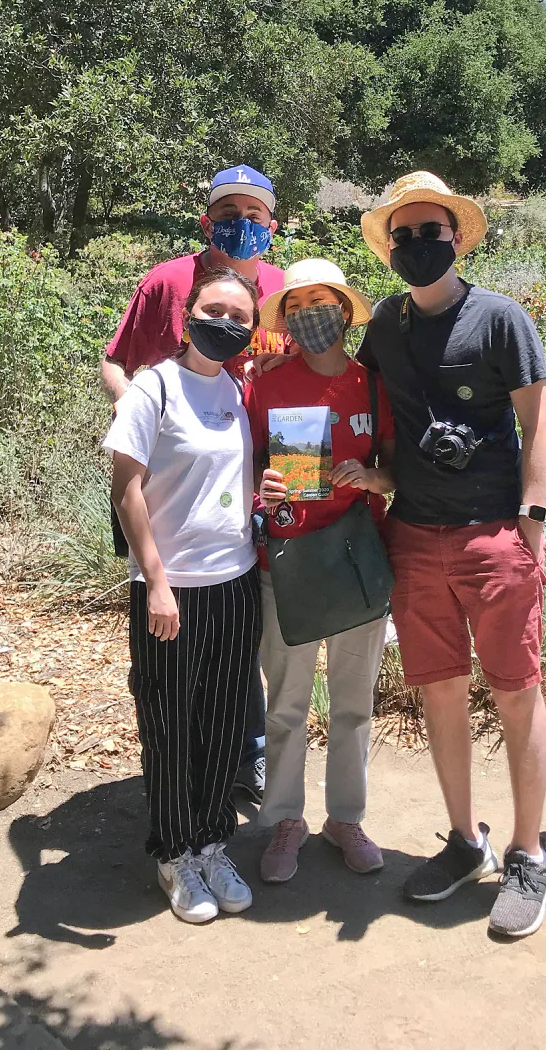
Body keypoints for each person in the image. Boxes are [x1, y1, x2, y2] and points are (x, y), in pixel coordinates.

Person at [357, 171, 546, 939]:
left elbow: (538, 420)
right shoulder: (383, 327)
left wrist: (531, 522)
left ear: (458, 237)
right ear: (390, 248)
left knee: (516, 694)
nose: (417, 246)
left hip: (492, 536)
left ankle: (529, 853)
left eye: (430, 232)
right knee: (439, 692)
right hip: (414, 533)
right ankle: (464, 840)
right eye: (403, 236)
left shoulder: (500, 318)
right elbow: (367, 411)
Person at [101, 164, 287, 803]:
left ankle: (246, 758)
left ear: (273, 224)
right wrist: (144, 419)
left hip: (254, 485)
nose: (243, 225)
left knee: (241, 634)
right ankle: (178, 779)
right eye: (229, 213)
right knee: (173, 639)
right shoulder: (168, 280)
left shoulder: (282, 290)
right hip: (173, 483)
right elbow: (115, 361)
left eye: (255, 215)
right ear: (206, 221)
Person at [104, 267, 262, 925]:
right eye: (213, 309)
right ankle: (173, 854)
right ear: (188, 314)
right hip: (172, 592)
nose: (224, 323)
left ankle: (211, 842)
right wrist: (158, 581)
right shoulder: (154, 388)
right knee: (170, 726)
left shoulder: (236, 390)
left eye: (239, 317)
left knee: (224, 721)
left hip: (237, 581)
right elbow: (126, 489)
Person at [244, 259, 396, 884]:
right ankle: (285, 819)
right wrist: (264, 486)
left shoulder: (372, 385)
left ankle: (345, 817)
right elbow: (243, 471)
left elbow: (399, 470)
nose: (311, 314)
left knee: (354, 702)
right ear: (286, 318)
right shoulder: (268, 386)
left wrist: (372, 477)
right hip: (287, 561)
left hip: (357, 558)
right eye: (298, 304)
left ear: (344, 307)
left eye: (322, 301)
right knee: (285, 702)